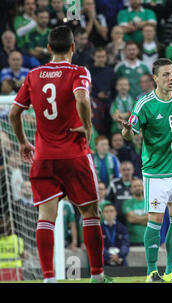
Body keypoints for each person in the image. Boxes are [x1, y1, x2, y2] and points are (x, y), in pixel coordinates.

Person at [9, 25, 112, 283]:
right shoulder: (78, 71)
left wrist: (23, 141)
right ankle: (98, 276)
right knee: (89, 213)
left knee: (46, 217)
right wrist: (87, 127)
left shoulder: (33, 75)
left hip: (43, 157)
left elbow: (13, 113)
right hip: (74, 154)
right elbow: (82, 99)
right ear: (73, 48)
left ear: (49, 48)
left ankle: (49, 278)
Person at [119, 58, 172, 282]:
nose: (171, 78)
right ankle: (152, 272)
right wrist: (125, 131)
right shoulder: (144, 104)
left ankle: (171, 271)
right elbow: (130, 133)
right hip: (156, 172)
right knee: (156, 220)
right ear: (155, 78)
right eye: (166, 75)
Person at [122, 179, 147, 246]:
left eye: (139, 186)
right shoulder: (127, 203)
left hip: (148, 239)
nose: (137, 188)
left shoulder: (149, 202)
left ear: (143, 187)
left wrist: (136, 218)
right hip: (133, 240)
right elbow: (131, 219)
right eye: (134, 186)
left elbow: (152, 219)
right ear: (131, 189)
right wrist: (146, 219)